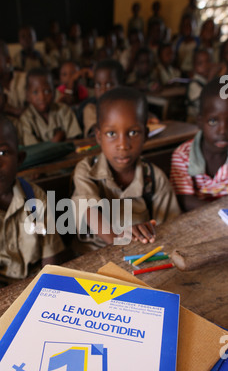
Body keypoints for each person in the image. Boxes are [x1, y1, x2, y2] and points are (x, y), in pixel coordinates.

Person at [0, 111, 65, 302]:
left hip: (33, 278)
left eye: (2, 152)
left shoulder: (35, 197)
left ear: (20, 158)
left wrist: (46, 295)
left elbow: (50, 253)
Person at [71, 86, 181, 253]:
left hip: (138, 257)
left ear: (146, 134)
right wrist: (119, 241)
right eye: (111, 134)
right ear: (98, 136)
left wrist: (148, 233)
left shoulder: (154, 178)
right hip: (92, 259)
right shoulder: (87, 170)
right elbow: (89, 212)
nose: (123, 145)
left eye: (133, 132)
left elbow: (171, 228)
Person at [170, 77, 228, 212]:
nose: (223, 131)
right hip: (196, 224)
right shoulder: (183, 155)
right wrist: (219, 212)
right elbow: (183, 197)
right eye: (213, 121)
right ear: (200, 122)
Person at [18, 67, 82, 145]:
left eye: (47, 91)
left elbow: (75, 139)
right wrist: (55, 141)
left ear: (54, 92)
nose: (42, 97)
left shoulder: (63, 110)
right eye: (35, 92)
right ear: (27, 95)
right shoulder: (26, 119)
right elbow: (33, 150)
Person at [80, 59, 125, 137]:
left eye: (108, 85)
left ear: (121, 85)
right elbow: (97, 133)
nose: (103, 90)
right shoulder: (91, 109)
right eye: (98, 85)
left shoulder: (127, 105)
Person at [186, 48, 211, 123]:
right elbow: (206, 107)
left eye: (208, 61)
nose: (205, 66)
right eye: (200, 63)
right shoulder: (194, 84)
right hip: (195, 123)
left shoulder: (205, 81)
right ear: (194, 66)